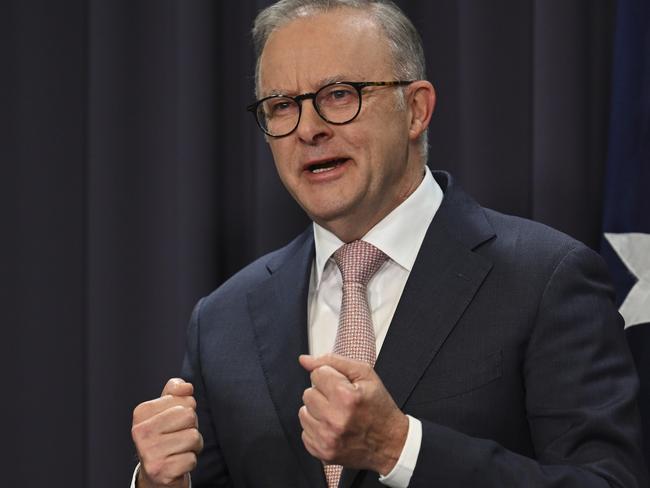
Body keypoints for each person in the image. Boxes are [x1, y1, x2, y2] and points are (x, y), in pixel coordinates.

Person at [130, 1, 649, 487]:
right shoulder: (224, 320)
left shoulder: (546, 278)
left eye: (339, 95)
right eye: (282, 105)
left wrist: (400, 448)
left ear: (416, 109)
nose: (308, 128)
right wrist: (159, 483)